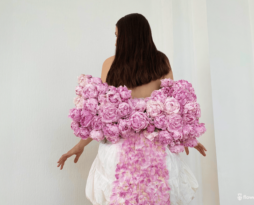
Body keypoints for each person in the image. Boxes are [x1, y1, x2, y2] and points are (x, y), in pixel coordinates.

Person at [57, 13, 207, 205]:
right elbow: (173, 108)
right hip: (156, 148)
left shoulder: (110, 64)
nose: (115, 42)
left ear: (127, 37)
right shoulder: (162, 62)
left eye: (117, 36)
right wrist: (188, 138)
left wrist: (80, 145)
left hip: (118, 150)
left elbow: (102, 114)